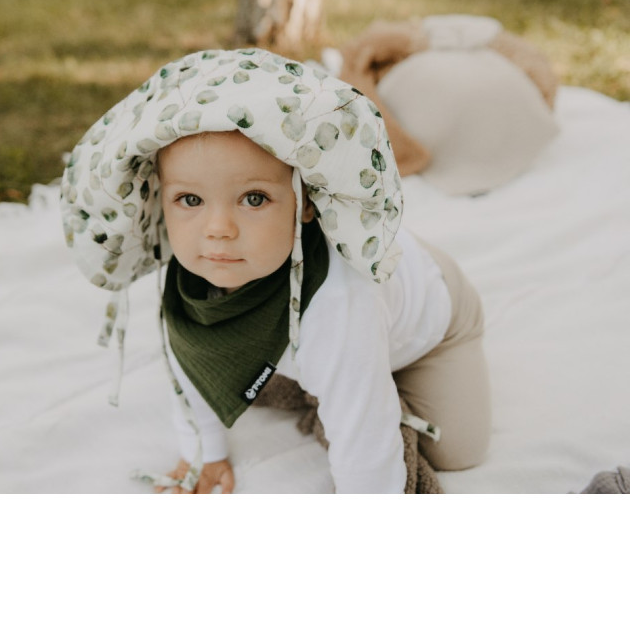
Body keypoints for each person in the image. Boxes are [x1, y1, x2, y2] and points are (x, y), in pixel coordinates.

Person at [62, 47, 491, 493]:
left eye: (254, 199)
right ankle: (329, 380)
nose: (218, 230)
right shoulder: (195, 275)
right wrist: (203, 454)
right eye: (190, 200)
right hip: (336, 342)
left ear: (306, 203)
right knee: (313, 370)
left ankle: (357, 385)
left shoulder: (337, 302)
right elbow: (190, 363)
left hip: (434, 319)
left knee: (457, 449)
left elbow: (365, 445)